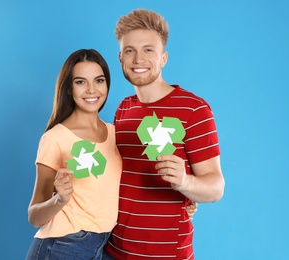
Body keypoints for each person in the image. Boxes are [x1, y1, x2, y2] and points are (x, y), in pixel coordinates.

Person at [104, 9, 225, 259]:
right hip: (113, 251)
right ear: (120, 58)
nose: (138, 59)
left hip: (167, 254)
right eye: (130, 50)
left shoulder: (195, 109)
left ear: (164, 58)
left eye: (148, 50)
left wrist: (185, 183)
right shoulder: (123, 109)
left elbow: (215, 188)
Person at [26, 49, 122, 260]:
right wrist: (59, 199)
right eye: (80, 82)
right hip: (62, 247)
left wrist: (181, 201)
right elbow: (34, 216)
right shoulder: (55, 139)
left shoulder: (116, 134)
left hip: (103, 245)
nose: (91, 90)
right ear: (69, 88)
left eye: (99, 80)